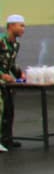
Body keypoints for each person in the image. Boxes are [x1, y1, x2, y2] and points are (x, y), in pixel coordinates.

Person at [1, 14, 26, 152]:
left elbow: (10, 64)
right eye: (21, 26)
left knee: (9, 110)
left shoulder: (15, 45)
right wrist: (2, 75)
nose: (23, 29)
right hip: (1, 80)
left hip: (7, 83)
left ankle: (7, 139)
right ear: (11, 26)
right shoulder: (1, 41)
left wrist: (20, 74)